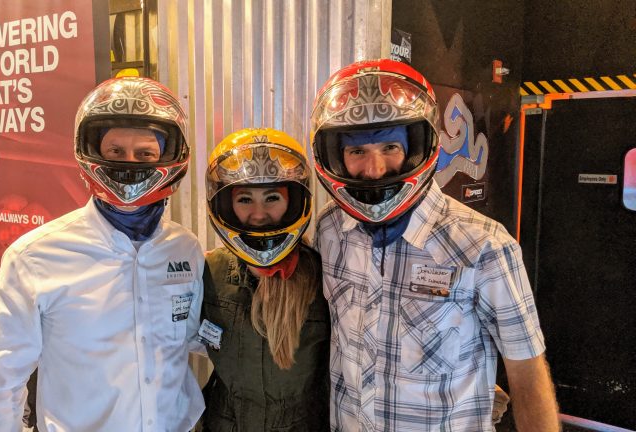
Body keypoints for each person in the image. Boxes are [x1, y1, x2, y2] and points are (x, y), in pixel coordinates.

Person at [310, 59, 559, 431]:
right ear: (336, 157)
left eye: (390, 146)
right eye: (357, 151)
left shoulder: (485, 246)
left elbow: (527, 376)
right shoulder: (331, 229)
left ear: (418, 148)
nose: (374, 170)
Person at [0, 77, 205, 431]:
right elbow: (1, 381)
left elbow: (191, 340)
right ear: (92, 150)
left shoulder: (185, 249)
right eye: (115, 151)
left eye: (145, 153)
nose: (130, 163)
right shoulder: (34, 257)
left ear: (170, 156)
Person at [200, 128, 330, 431]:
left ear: (295, 201)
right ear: (224, 205)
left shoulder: (323, 276)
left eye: (272, 197)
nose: (259, 215)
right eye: (245, 199)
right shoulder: (208, 271)